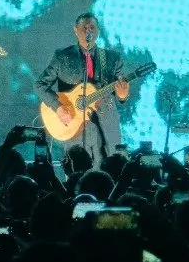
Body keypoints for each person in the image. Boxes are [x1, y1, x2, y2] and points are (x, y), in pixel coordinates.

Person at [36, 13, 132, 165]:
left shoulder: (112, 58)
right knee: (77, 172)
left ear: (98, 30)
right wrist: (58, 107)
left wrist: (123, 95)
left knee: (110, 171)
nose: (88, 31)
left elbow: (121, 93)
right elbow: (40, 85)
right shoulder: (63, 56)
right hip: (74, 125)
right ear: (76, 30)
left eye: (92, 28)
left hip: (106, 125)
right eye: (84, 28)